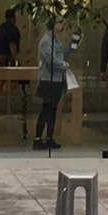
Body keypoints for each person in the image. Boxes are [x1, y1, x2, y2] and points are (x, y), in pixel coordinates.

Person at [34, 18, 71, 151]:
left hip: (56, 79)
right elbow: (52, 60)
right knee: (46, 109)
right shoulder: (46, 41)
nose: (62, 25)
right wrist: (63, 64)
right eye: (60, 23)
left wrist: (72, 47)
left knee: (53, 109)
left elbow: (61, 54)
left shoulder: (56, 40)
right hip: (48, 79)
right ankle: (38, 138)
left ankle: (49, 137)